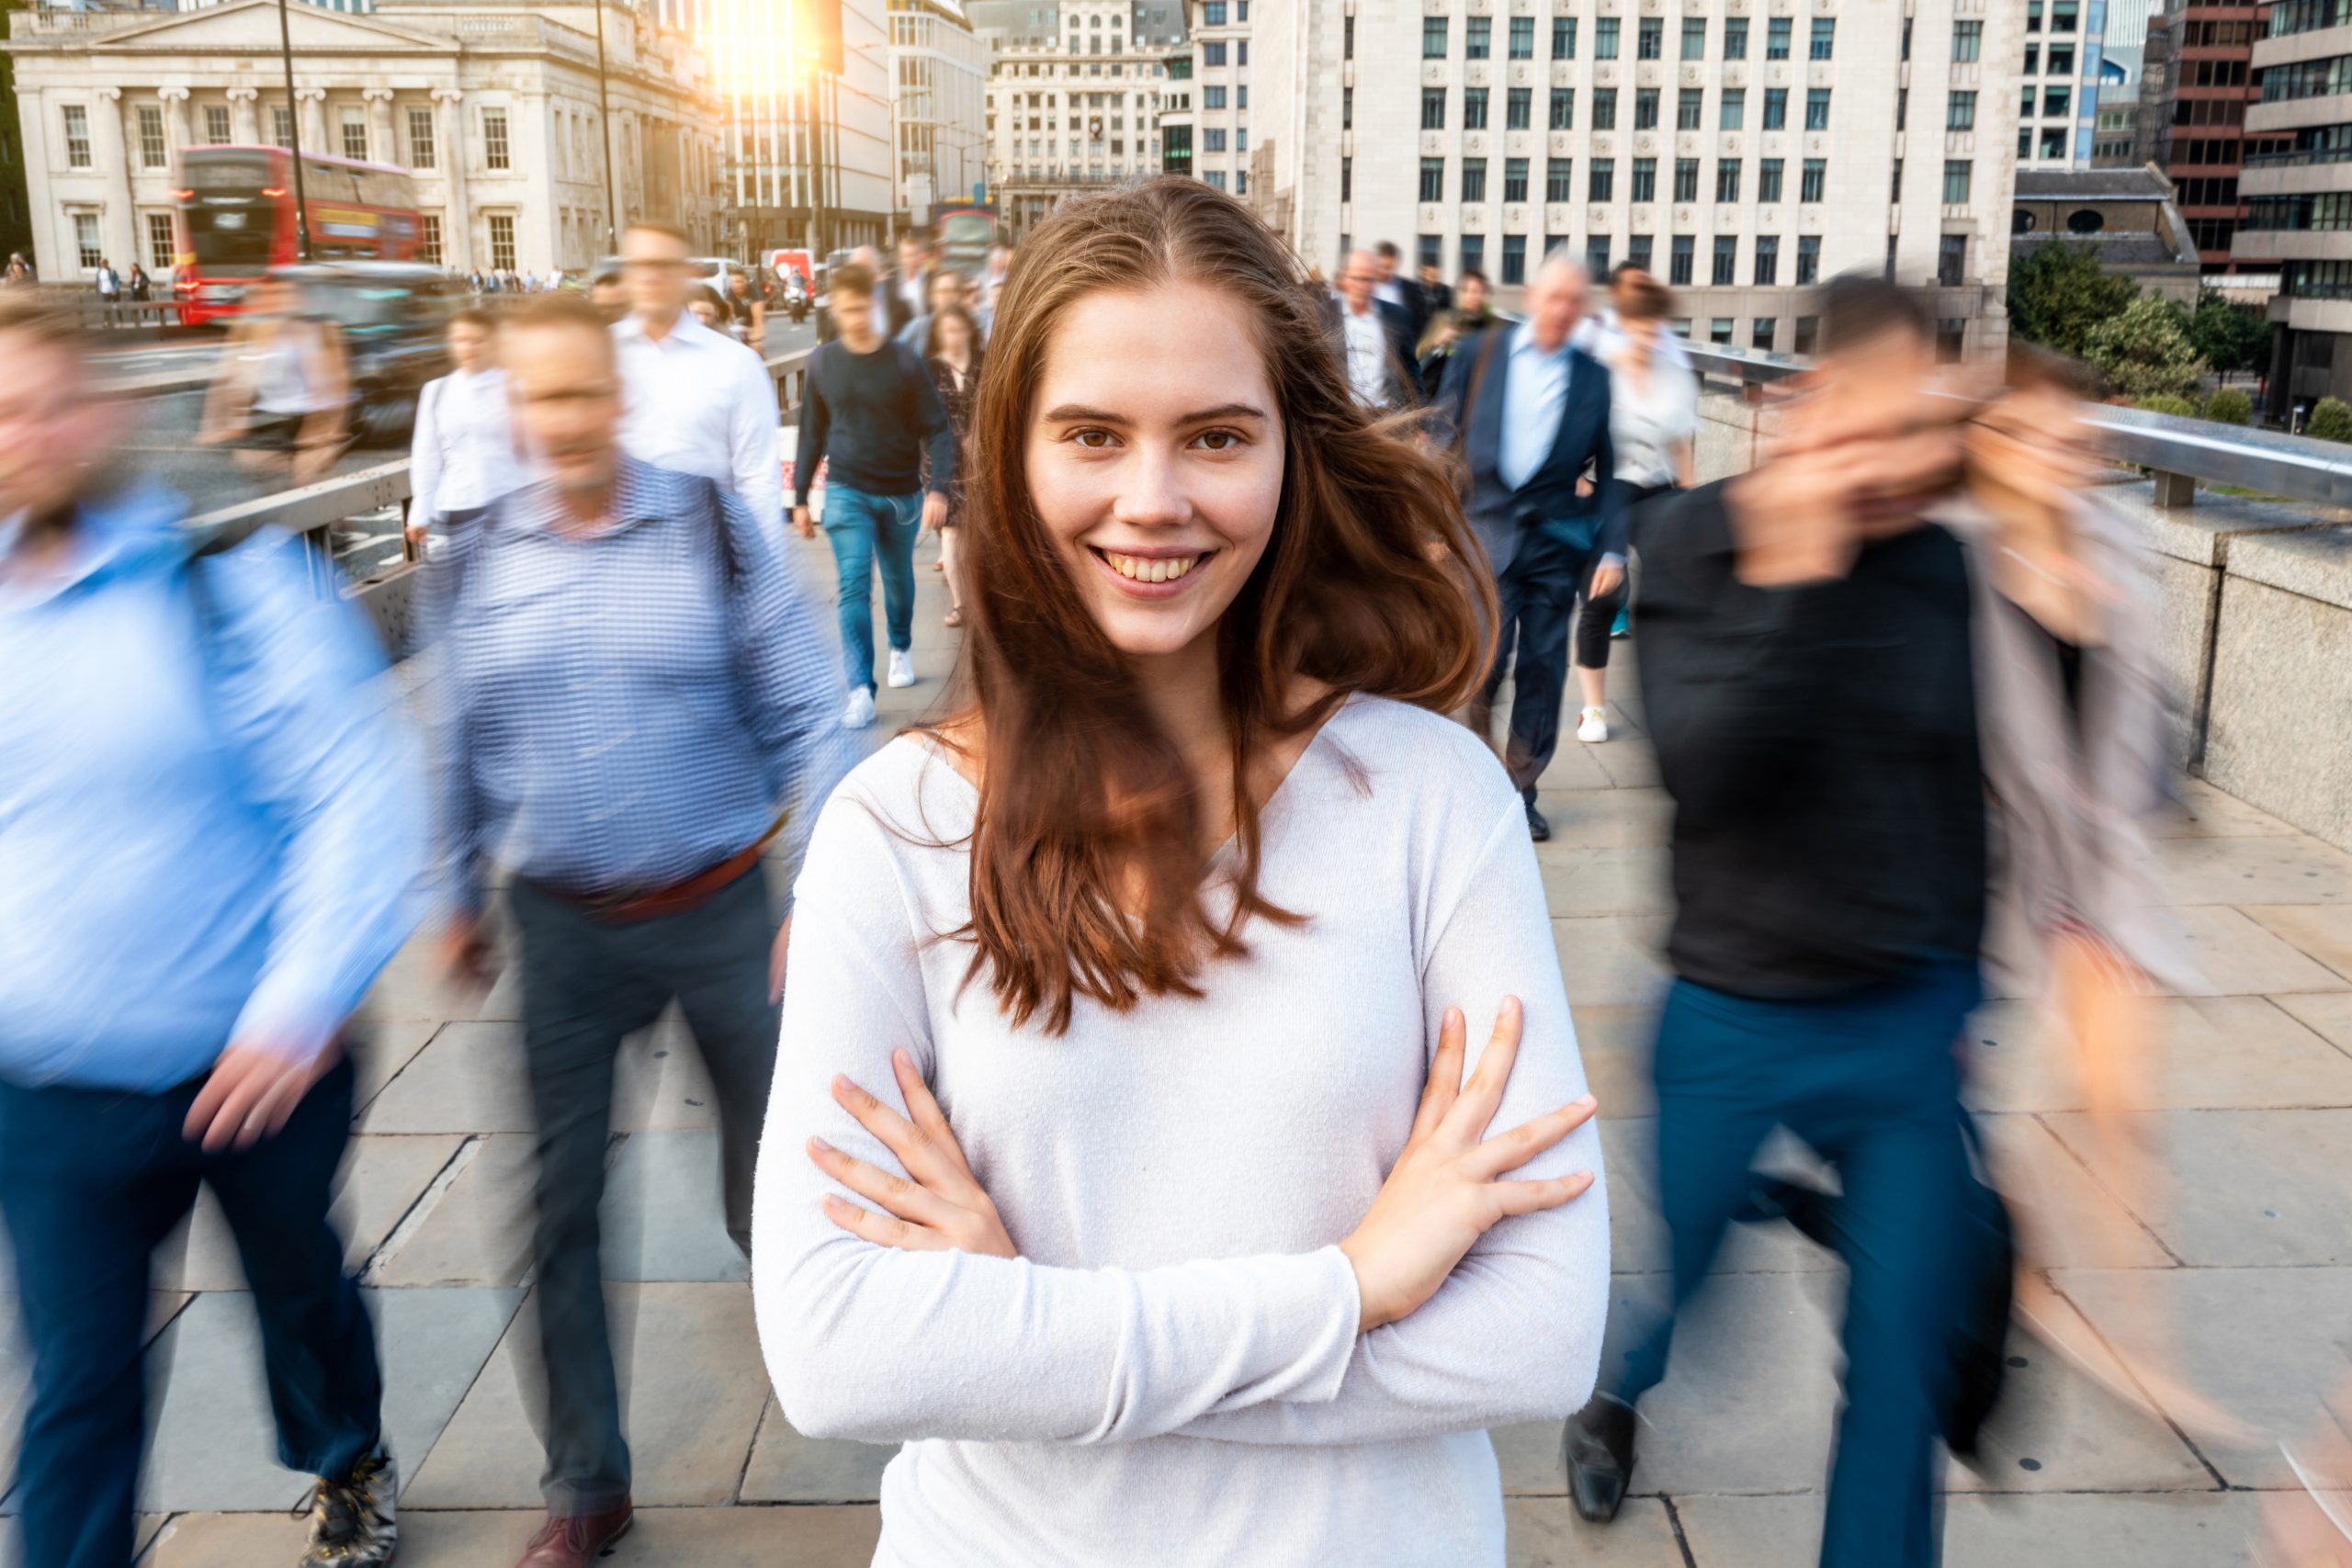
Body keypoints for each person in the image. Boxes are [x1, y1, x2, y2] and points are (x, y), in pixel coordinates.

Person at [751, 172, 1606, 1568]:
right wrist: (1357, 1287)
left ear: (1292, 451)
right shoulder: (894, 828)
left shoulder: (1431, 798)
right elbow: (837, 1352)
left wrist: (1025, 1326)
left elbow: (1541, 1329)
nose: (1152, 502)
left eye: (1215, 436)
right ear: (1013, 456)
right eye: (1092, 433)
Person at [1562, 277, 1994, 1568]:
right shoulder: (1694, 541)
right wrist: (1802, 556)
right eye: (1889, 423)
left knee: (1905, 1366)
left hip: (1904, 1022)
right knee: (1685, 1280)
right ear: (1809, 410)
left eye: (1933, 429)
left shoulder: (1938, 560)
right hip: (1733, 1008)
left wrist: (1967, 996)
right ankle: (1617, 1384)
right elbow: (1712, 774)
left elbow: (1957, 789)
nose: (1916, 463)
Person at [423, 291, 847, 1568]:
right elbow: (458, 736)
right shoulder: (476, 554)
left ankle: (822, 1325)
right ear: (511, 408)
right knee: (555, 1212)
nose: (557, 419)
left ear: (616, 397)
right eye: (532, 396)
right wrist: (451, 891)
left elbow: (810, 713)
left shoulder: (708, 522)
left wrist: (820, 891)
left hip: (725, 908)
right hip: (560, 926)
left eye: (576, 391)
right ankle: (587, 1483)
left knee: (773, 1175)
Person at [0, 295, 424, 1568]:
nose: (21, 434)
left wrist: (298, 1007)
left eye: (42, 402)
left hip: (257, 1066)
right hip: (57, 1080)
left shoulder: (231, 593)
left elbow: (357, 791)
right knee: (79, 1377)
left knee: (301, 1299)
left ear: (108, 413)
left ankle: (347, 1452)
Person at [1435, 249, 1625, 840]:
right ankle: (1474, 782)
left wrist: (1612, 550)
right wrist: (1431, 529)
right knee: (1481, 668)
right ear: (1532, 296)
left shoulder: (1595, 378)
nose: (1563, 310)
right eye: (1554, 298)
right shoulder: (1478, 353)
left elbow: (1612, 470)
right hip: (1484, 537)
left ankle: (1521, 791)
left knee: (1543, 671)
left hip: (1554, 545)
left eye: (1575, 301)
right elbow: (1441, 437)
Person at [789, 262, 954, 728]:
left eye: (862, 309)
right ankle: (859, 687)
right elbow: (811, 432)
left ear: (874, 306)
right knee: (853, 587)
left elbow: (938, 429)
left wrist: (938, 488)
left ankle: (900, 645)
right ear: (835, 309)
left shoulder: (903, 361)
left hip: (901, 494)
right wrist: (800, 497)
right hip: (846, 491)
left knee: (899, 582)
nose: (855, 318)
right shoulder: (822, 362)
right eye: (846, 310)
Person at [611, 221, 782, 534]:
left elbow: (758, 481)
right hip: (615, 563)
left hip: (707, 556)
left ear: (688, 276)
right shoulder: (599, 355)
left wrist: (762, 568)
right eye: (640, 265)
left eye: (664, 265)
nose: (651, 276)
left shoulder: (736, 363)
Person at [196, 276, 350, 486]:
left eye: (283, 293)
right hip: (271, 421)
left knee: (310, 490)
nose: (277, 300)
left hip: (311, 420)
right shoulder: (254, 328)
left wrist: (325, 435)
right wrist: (216, 424)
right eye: (268, 294)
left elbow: (337, 386)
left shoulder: (320, 328)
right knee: (268, 485)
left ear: (299, 297)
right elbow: (228, 377)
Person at [407, 307, 519, 556]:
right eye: (461, 340)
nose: (469, 348)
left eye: (478, 340)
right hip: (460, 504)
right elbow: (426, 455)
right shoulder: (436, 391)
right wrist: (419, 512)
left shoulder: (516, 386)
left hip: (512, 502)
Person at [923, 301, 981, 628]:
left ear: (969, 331)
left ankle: (985, 595)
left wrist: (980, 434)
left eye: (958, 329)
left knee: (983, 529)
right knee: (951, 530)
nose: (953, 336)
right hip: (942, 459)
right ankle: (961, 603)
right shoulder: (928, 368)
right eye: (947, 330)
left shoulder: (985, 363)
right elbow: (922, 414)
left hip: (982, 456)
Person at [1333, 249, 1420, 411]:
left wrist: (1421, 422)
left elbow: (1411, 371)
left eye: (1369, 280)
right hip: (1341, 419)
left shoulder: (1396, 316)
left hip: (1385, 417)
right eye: (1357, 278)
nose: (1362, 286)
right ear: (1345, 278)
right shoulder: (1324, 315)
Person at [1573, 261, 1693, 376]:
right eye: (1634, 287)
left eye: (1644, 287)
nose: (1640, 294)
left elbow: (1682, 371)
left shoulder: (1661, 331)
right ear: (1613, 291)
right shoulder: (1589, 330)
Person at [1415, 268, 1495, 389]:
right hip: (1446, 390)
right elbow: (1419, 353)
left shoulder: (1492, 325)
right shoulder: (1444, 319)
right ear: (1460, 294)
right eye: (1469, 291)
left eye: (1479, 292)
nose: (1474, 296)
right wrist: (1438, 341)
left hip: (1479, 389)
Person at [899, 265, 984, 354]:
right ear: (932, 296)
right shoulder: (918, 327)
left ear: (961, 296)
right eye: (944, 291)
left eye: (954, 291)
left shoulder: (973, 325)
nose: (949, 296)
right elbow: (894, 353)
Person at [1371, 239, 1430, 345]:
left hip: (1401, 349)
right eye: (1383, 267)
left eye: (1390, 267)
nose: (1387, 272)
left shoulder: (1411, 290)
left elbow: (1420, 322)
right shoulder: (1366, 287)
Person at [727, 270, 765, 347]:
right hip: (739, 322)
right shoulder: (730, 292)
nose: (736, 285)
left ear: (746, 282)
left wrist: (757, 333)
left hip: (751, 322)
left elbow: (758, 317)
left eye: (739, 281)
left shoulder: (754, 292)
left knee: (756, 347)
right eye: (732, 282)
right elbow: (726, 315)